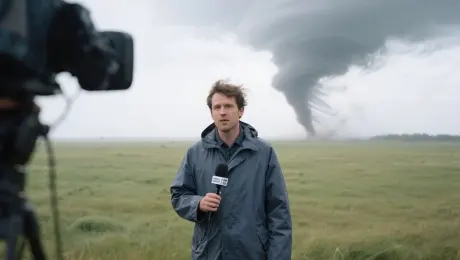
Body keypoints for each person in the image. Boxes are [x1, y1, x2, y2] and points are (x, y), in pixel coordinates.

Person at [170, 79, 292, 260]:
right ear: (211, 113)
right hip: (209, 253)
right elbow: (178, 195)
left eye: (228, 106)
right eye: (217, 107)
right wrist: (198, 204)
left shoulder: (264, 153)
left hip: (251, 253)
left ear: (241, 111)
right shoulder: (195, 153)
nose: (223, 112)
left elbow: (279, 212)